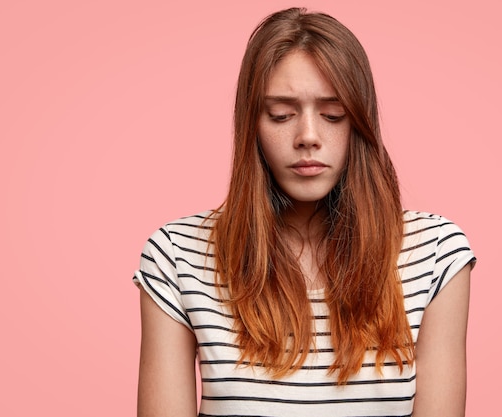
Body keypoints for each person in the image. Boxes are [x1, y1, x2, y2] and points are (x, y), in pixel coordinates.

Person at [133, 7, 475, 417]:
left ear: (360, 123)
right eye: (281, 114)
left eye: (333, 114)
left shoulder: (436, 254)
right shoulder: (176, 255)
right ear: (251, 125)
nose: (308, 137)